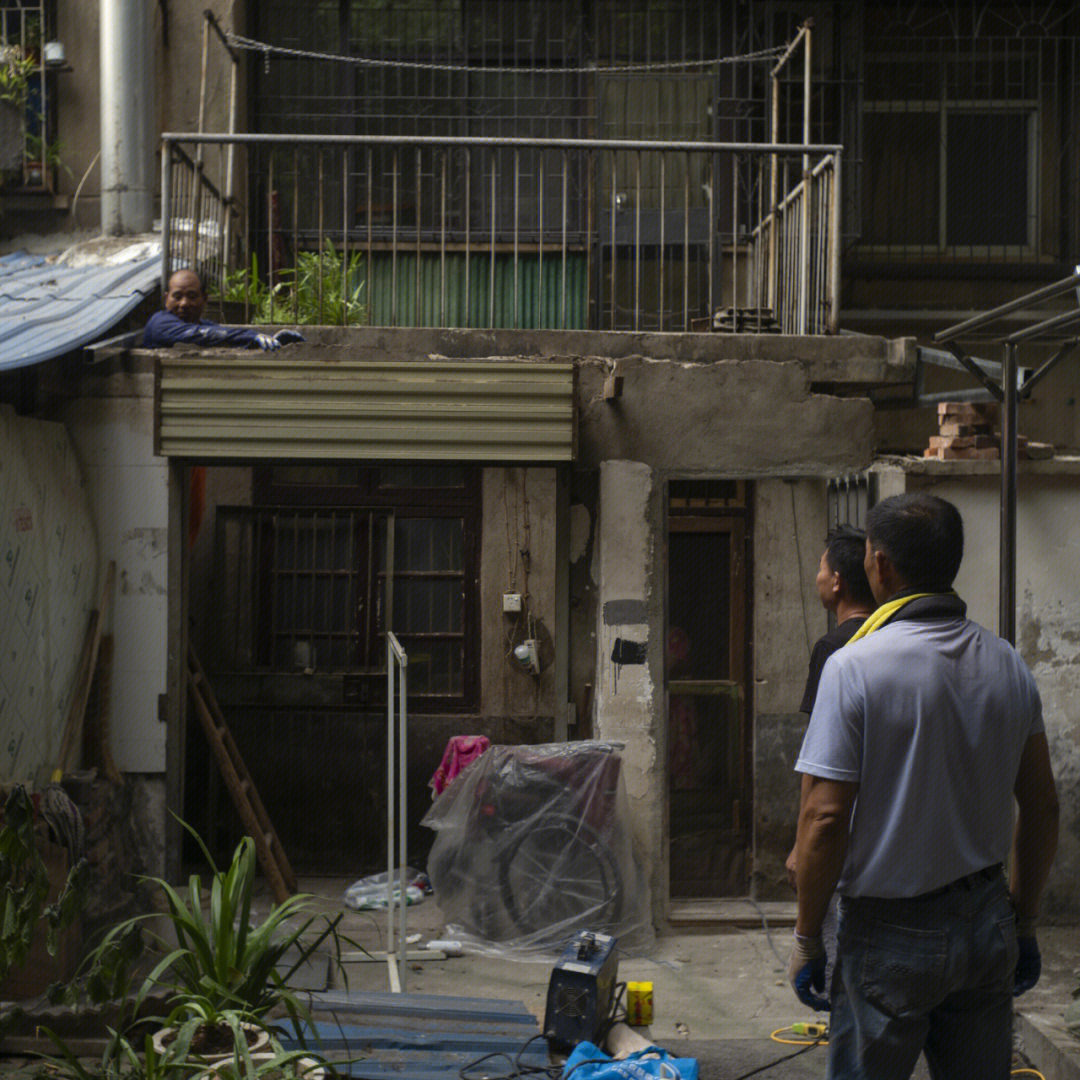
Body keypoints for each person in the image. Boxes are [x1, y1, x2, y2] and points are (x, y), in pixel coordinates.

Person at [787, 492, 1058, 1080]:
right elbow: (1040, 806)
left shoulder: (855, 668)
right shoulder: (1008, 663)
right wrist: (1025, 921)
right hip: (987, 919)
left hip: (887, 933)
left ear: (878, 565)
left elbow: (825, 819)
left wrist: (809, 938)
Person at [784, 526, 876, 967]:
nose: (817, 577)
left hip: (843, 837)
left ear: (838, 580)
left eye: (821, 568)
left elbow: (819, 763)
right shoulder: (890, 639)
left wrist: (802, 846)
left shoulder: (834, 650)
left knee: (838, 962)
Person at [144, 269, 305, 351]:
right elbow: (205, 335)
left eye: (192, 296)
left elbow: (224, 336)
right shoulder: (160, 323)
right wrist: (252, 335)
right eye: (177, 296)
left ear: (205, 299)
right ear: (166, 299)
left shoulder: (204, 325)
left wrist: (272, 341)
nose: (184, 303)